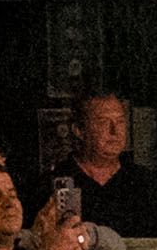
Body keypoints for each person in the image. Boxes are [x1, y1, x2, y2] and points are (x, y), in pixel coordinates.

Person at [56, 91, 144, 230]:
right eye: (103, 122)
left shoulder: (145, 182)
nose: (115, 131)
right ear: (79, 130)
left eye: (120, 121)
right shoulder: (56, 184)